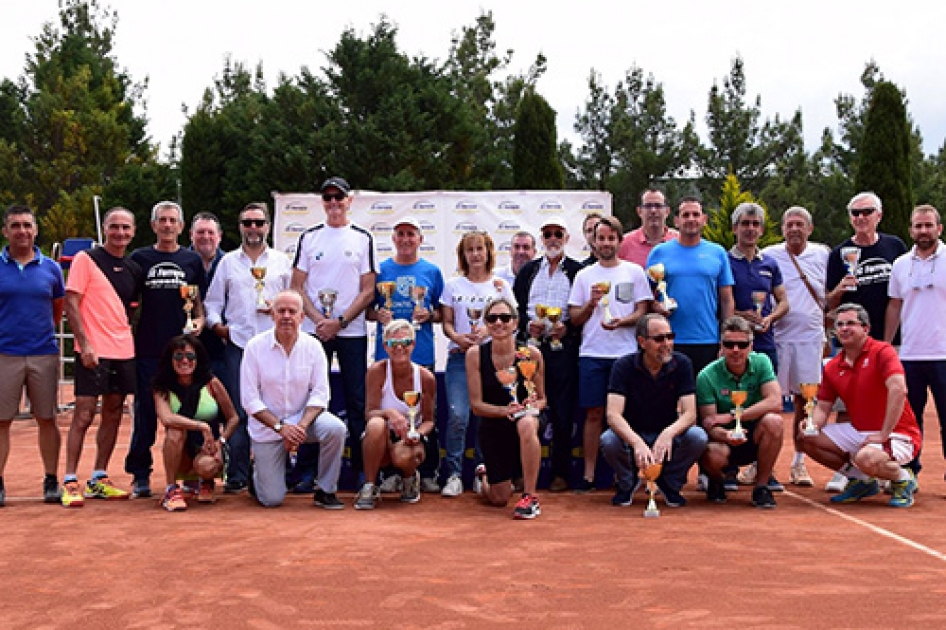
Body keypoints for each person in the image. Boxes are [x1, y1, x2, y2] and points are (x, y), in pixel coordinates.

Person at [291, 176, 377, 481]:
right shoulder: (309, 237)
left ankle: (362, 472)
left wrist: (340, 322)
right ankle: (306, 471)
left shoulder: (363, 238)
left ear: (349, 200)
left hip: (351, 332)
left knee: (356, 401)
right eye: (328, 198)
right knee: (313, 399)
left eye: (338, 197)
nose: (334, 203)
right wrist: (319, 322)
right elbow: (297, 286)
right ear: (322, 202)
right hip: (316, 333)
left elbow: (368, 290)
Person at [204, 202, 292, 493]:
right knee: (240, 410)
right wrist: (218, 327)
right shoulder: (228, 262)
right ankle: (238, 474)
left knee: (279, 406)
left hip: (275, 345)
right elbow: (213, 303)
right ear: (239, 226)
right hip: (238, 346)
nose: (253, 228)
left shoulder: (281, 261)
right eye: (247, 223)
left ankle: (284, 471)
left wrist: (279, 310)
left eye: (258, 223)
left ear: (267, 226)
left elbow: (294, 299)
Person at [801, 304, 920, 508]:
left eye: (850, 323)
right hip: (860, 431)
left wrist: (884, 434)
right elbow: (822, 407)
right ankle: (862, 481)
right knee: (806, 438)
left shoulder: (883, 351)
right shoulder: (832, 366)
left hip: (898, 433)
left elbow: (899, 390)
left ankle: (903, 478)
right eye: (839, 325)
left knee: (866, 458)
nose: (844, 329)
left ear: (866, 328)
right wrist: (812, 424)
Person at [125, 201, 206, 498]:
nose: (168, 225)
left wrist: (198, 321)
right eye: (163, 220)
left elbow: (198, 304)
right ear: (154, 225)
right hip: (148, 350)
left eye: (173, 220)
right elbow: (131, 303)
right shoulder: (140, 258)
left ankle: (192, 472)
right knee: (145, 415)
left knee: (188, 413)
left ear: (181, 227)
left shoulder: (192, 261)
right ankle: (140, 475)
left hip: (184, 355)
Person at [61, 207, 140, 507]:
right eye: (114, 227)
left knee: (114, 411)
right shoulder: (86, 259)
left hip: (123, 350)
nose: (120, 233)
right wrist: (85, 343)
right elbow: (71, 302)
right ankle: (70, 480)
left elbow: (129, 310)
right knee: (83, 414)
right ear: (105, 229)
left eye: (125, 227)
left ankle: (99, 477)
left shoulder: (133, 268)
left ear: (133, 231)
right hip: (92, 350)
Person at [240, 290, 347, 508]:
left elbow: (320, 394)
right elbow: (250, 400)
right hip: (268, 427)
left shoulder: (313, 346)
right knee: (272, 500)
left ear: (302, 317)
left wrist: (299, 427)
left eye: (292, 311)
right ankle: (257, 474)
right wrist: (281, 428)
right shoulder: (254, 347)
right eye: (281, 311)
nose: (286, 316)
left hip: (303, 423)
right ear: (272, 315)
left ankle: (326, 490)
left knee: (335, 428)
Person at [568, 215, 652, 492]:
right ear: (593, 241)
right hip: (592, 353)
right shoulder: (584, 276)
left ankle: (628, 473)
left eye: (610, 238)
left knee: (629, 415)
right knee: (593, 414)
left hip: (627, 353)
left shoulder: (634, 272)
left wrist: (623, 322)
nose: (605, 243)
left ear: (619, 240)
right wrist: (591, 305)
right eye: (600, 238)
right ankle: (589, 474)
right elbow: (575, 319)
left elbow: (642, 311)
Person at [368, 216, 443, 494]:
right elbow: (367, 311)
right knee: (389, 417)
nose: (405, 239)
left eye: (411, 234)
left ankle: (426, 472)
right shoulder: (381, 270)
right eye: (400, 234)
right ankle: (390, 473)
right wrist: (377, 314)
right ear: (393, 238)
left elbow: (442, 314)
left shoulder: (432, 271)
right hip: (385, 354)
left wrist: (430, 314)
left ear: (420, 239)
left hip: (421, 351)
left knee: (424, 414)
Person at [601, 314, 707, 507]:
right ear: (642, 342)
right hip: (633, 434)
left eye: (670, 336)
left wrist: (668, 434)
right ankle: (628, 483)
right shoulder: (623, 366)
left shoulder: (682, 364)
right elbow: (612, 414)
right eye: (659, 339)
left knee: (697, 436)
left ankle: (670, 484)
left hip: (667, 436)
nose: (666, 343)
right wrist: (636, 442)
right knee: (608, 440)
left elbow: (690, 413)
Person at [440, 230, 516, 496]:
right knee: (459, 416)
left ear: (488, 252)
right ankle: (453, 474)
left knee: (487, 417)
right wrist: (458, 338)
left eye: (479, 249)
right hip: (460, 359)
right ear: (463, 255)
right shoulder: (452, 285)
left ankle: (484, 470)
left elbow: (510, 320)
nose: (475, 254)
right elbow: (446, 323)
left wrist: (487, 331)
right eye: (470, 250)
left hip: (490, 360)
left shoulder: (500, 286)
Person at [0, 205, 65, 506]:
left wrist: (39, 335)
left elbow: (57, 309)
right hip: (4, 354)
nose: (22, 231)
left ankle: (51, 480)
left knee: (47, 418)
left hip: (43, 354)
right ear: (5, 231)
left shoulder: (51, 268)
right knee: (2, 421)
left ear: (36, 230)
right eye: (15, 226)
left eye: (27, 225)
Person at [513, 216, 583, 492]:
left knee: (562, 412)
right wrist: (526, 325)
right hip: (530, 349)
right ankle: (519, 472)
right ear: (542, 239)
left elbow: (581, 314)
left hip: (563, 351)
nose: (553, 239)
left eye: (558, 234)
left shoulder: (577, 271)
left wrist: (567, 331)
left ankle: (560, 473)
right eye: (548, 234)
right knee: (526, 407)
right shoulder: (529, 271)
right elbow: (515, 308)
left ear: (566, 238)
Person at [762, 206, 830, 488]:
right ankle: (762, 464)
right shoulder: (769, 255)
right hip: (777, 337)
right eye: (789, 224)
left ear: (810, 229)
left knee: (805, 402)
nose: (794, 229)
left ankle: (799, 464)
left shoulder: (823, 254)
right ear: (782, 229)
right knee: (771, 401)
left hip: (811, 337)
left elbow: (831, 292)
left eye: (800, 224)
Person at [466, 298, 547, 519]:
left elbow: (542, 399)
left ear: (515, 323)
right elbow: (476, 405)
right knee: (499, 498)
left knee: (527, 422)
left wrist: (530, 406)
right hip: (493, 424)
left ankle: (530, 497)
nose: (499, 323)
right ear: (486, 323)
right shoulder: (475, 355)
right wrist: (505, 411)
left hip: (524, 423)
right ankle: (483, 474)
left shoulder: (532, 354)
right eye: (492, 318)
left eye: (505, 318)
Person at [727, 202, 789, 490]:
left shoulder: (770, 264)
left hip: (764, 343)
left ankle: (763, 468)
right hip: (734, 344)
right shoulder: (725, 261)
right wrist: (742, 316)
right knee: (731, 401)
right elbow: (720, 304)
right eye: (745, 223)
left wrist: (770, 317)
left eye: (755, 224)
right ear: (735, 228)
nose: (750, 229)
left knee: (767, 407)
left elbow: (784, 302)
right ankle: (727, 467)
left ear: (762, 229)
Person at [885, 204, 946, 478]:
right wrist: (886, 345)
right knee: (911, 421)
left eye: (928, 225)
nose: (923, 231)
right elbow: (894, 307)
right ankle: (909, 474)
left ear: (939, 228)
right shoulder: (900, 264)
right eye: (918, 226)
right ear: (911, 230)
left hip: (944, 355)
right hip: (910, 355)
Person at [697, 316, 784, 508]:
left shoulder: (762, 362)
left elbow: (775, 402)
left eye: (742, 344)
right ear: (721, 346)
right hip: (723, 439)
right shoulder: (706, 376)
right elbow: (709, 424)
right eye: (729, 344)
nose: (736, 350)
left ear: (751, 346)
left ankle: (761, 486)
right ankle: (716, 481)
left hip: (754, 436)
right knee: (712, 453)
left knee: (774, 422)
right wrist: (727, 434)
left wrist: (733, 416)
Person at [647, 196, 735, 376]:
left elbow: (726, 300)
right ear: (676, 221)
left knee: (705, 399)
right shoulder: (659, 252)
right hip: (668, 340)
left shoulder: (717, 253)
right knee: (671, 398)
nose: (691, 219)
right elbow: (646, 296)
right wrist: (657, 306)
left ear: (704, 220)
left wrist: (727, 338)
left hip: (707, 340)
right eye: (685, 215)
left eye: (696, 214)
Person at [355, 320, 437, 509]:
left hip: (409, 441)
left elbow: (429, 421)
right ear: (385, 346)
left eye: (406, 343)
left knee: (403, 455)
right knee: (375, 424)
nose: (399, 348)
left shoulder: (426, 378)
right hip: (381, 440)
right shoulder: (376, 371)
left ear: (413, 345)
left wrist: (417, 434)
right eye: (393, 343)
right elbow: (370, 413)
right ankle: (369, 485)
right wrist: (390, 413)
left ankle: (409, 480)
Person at [153, 336, 239, 511]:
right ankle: (171, 489)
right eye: (178, 356)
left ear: (198, 359)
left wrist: (220, 441)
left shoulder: (211, 383)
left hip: (208, 447)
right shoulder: (162, 386)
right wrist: (201, 426)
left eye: (190, 356)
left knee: (206, 466)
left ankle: (206, 481)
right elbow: (167, 418)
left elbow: (233, 418)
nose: (184, 361)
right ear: (170, 359)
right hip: (180, 451)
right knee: (175, 431)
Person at [826, 191, 907, 343]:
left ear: (879, 215)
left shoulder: (895, 246)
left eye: (867, 212)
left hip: (893, 336)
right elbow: (829, 303)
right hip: (853, 339)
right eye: (855, 213)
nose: (861, 218)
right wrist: (839, 290)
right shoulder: (838, 253)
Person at [189, 212, 227, 381]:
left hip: (222, 346)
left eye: (210, 233)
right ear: (191, 235)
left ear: (219, 236)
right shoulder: (180, 262)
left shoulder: (231, 263)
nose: (205, 237)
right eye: (200, 232)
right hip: (187, 346)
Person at [618, 188, 679, 267]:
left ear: (667, 211)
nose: (653, 210)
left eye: (658, 206)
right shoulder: (624, 244)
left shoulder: (679, 241)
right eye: (648, 206)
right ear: (639, 211)